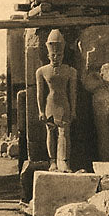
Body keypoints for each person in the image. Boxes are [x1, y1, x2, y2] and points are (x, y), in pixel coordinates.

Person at [35, 29, 77, 172]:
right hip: (50, 104)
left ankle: (64, 162)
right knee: (51, 133)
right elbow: (40, 93)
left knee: (64, 133)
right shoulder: (41, 71)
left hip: (64, 104)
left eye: (59, 55)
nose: (56, 57)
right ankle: (52, 162)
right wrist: (41, 111)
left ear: (63, 55)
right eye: (53, 55)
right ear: (48, 55)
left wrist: (73, 110)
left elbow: (72, 93)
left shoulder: (70, 71)